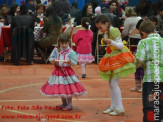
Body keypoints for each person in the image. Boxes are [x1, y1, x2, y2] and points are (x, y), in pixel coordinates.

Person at [95, 15, 135, 116]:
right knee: (110, 83)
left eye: (100, 27)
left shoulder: (114, 30)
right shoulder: (106, 32)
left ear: (106, 24)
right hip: (111, 56)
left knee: (114, 83)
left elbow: (121, 45)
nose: (100, 30)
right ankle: (113, 106)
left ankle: (120, 107)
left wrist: (111, 42)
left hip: (118, 57)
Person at [40, 33, 87, 111]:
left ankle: (69, 104)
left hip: (67, 72)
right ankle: (64, 103)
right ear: (59, 42)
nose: (64, 45)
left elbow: (75, 62)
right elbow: (51, 58)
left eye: (66, 43)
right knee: (61, 87)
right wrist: (53, 61)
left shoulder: (71, 52)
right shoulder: (56, 49)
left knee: (68, 87)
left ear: (69, 42)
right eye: (62, 43)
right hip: (58, 71)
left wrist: (70, 62)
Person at [135, 20, 163, 122]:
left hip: (151, 80)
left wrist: (135, 65)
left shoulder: (143, 42)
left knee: (151, 108)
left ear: (143, 33)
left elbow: (140, 60)